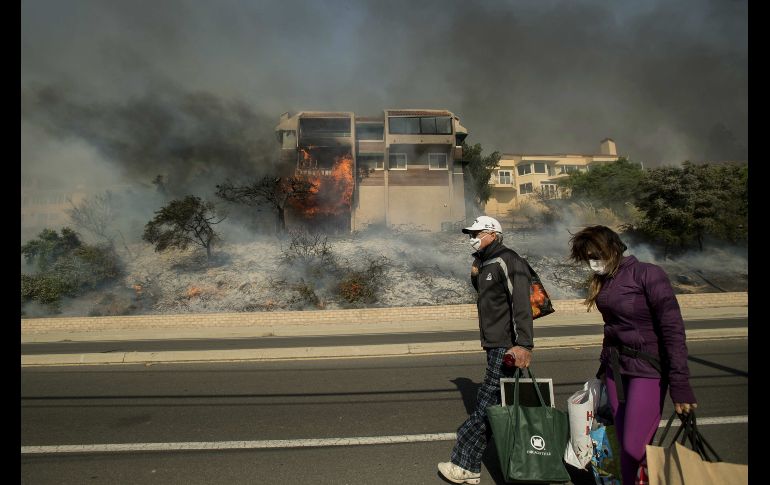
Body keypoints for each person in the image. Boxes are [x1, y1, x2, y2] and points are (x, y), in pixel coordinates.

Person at [568, 225, 697, 485]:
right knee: (624, 448)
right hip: (617, 370)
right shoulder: (605, 282)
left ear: (614, 248)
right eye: (588, 257)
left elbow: (673, 329)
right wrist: (603, 371)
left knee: (634, 447)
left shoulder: (648, 274)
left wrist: (680, 385)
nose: (593, 262)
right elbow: (612, 329)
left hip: (647, 369)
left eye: (597, 254)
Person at [437, 216, 534, 484]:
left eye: (477, 233)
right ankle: (480, 467)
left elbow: (521, 304)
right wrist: (476, 270)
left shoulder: (507, 260)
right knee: (495, 406)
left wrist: (523, 344)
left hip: (506, 345)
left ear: (492, 233)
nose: (472, 237)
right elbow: (487, 294)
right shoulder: (486, 262)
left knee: (484, 408)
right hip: (494, 343)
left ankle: (464, 465)